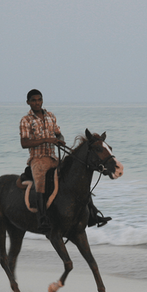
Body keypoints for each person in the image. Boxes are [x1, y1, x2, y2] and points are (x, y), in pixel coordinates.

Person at [19, 89, 111, 231]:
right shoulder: (26, 120)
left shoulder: (50, 116)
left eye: (39, 100)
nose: (37, 103)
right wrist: (46, 140)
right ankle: (42, 218)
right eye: (33, 100)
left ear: (42, 100)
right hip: (37, 159)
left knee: (76, 178)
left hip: (53, 158)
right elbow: (24, 143)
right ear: (28, 102)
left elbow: (58, 134)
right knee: (41, 183)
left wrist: (59, 140)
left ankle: (93, 215)